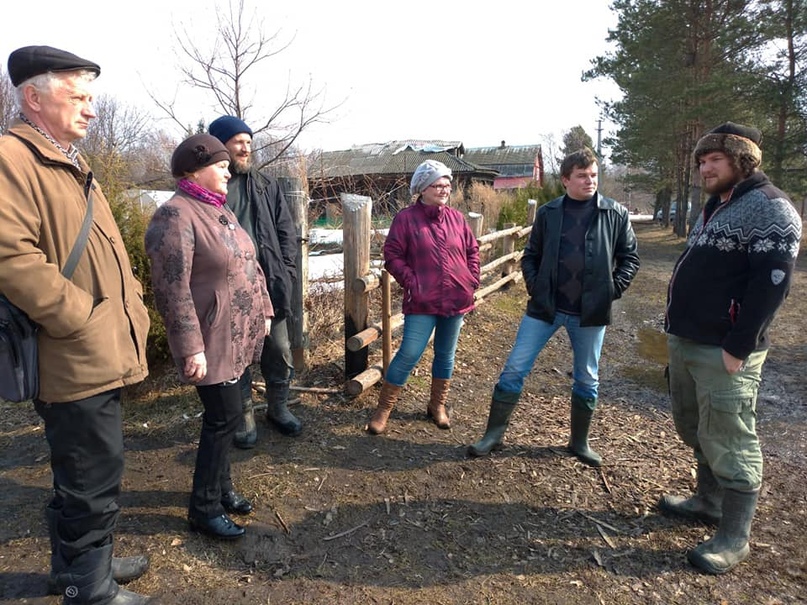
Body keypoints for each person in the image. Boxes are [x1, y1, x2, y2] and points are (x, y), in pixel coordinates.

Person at [0, 46, 152, 604]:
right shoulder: (12, 159)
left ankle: (86, 569)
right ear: (33, 97)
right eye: (78, 96)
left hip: (90, 346)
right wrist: (79, 316)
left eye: (92, 98)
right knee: (91, 475)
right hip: (70, 351)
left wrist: (124, 303)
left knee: (88, 469)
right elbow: (9, 256)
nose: (90, 109)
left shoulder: (66, 158)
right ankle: (90, 590)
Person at [660, 122, 802, 574]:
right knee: (695, 426)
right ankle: (708, 501)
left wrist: (739, 346)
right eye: (702, 161)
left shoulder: (771, 208)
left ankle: (734, 538)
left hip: (725, 349)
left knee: (730, 437)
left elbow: (772, 285)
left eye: (715, 160)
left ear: (743, 160)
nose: (705, 168)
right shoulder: (718, 206)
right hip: (688, 340)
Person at [468, 147, 640, 466]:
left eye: (593, 175)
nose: (589, 181)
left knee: (587, 377)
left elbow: (630, 258)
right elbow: (530, 255)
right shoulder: (549, 213)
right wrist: (535, 286)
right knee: (515, 368)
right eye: (582, 176)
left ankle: (579, 443)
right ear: (565, 180)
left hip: (590, 313)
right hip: (545, 309)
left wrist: (611, 291)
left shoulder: (614, 213)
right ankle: (493, 435)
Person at [144, 134, 274, 540]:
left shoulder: (220, 209)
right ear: (195, 169)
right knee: (222, 420)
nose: (228, 171)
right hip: (210, 339)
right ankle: (203, 509)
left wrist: (265, 309)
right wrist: (190, 347)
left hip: (237, 333)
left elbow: (251, 265)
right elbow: (171, 289)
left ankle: (222, 489)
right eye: (220, 165)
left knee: (230, 415)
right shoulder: (175, 215)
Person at [366, 159, 480, 434]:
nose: (444, 190)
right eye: (437, 185)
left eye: (447, 185)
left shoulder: (456, 219)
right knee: (409, 353)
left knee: (446, 354)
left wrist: (471, 279)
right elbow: (392, 256)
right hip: (422, 301)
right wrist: (412, 282)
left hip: (456, 298)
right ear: (422, 189)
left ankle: (437, 405)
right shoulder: (406, 219)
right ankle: (384, 410)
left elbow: (472, 251)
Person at [208, 116, 301, 447]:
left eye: (248, 141)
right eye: (237, 141)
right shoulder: (211, 187)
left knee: (279, 349)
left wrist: (287, 271)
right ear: (221, 145)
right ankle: (245, 417)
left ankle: (278, 409)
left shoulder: (266, 185)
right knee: (237, 354)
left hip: (270, 285)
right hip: (230, 289)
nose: (245, 147)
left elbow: (286, 233)